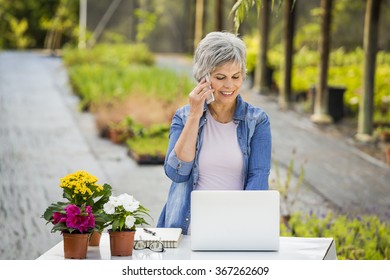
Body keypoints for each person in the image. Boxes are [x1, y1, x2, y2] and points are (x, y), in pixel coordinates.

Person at [157, 31, 271, 235]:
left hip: (235, 230)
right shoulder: (183, 117)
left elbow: (258, 178)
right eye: (220, 77)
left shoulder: (257, 121)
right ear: (204, 78)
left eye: (236, 77)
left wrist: (242, 228)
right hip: (186, 230)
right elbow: (177, 173)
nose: (229, 85)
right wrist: (194, 114)